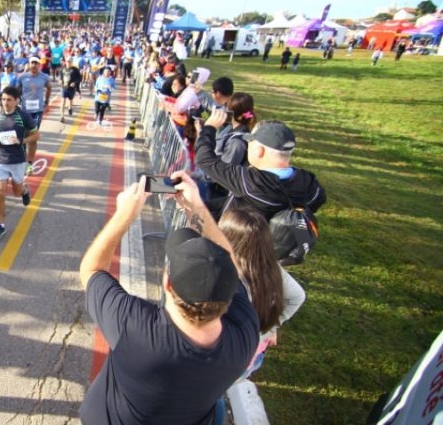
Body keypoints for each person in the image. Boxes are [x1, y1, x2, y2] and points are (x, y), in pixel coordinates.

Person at [78, 172, 259, 424]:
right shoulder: (245, 334)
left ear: (167, 283)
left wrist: (124, 214)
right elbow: (231, 266)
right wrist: (197, 208)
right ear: (229, 293)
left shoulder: (134, 329)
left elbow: (92, 271)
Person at [216, 207, 305, 380]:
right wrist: (271, 327)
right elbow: (298, 296)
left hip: (229, 359)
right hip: (252, 355)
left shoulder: (233, 276)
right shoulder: (272, 268)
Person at [196, 111, 326, 222]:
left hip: (234, 244)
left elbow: (205, 159)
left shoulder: (250, 181)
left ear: (260, 151)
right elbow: (317, 201)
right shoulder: (311, 186)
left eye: (250, 143)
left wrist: (209, 128)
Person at [0, 86, 35, 241]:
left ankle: (24, 190)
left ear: (16, 100)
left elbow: (36, 135)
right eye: (3, 99)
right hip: (1, 159)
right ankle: (0, 225)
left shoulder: (23, 116)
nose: (5, 103)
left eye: (9, 100)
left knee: (16, 191)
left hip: (17, 161)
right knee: (1, 192)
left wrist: (22, 141)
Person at [15, 57, 51, 175]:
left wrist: (46, 102)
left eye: (36, 63)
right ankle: (22, 160)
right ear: (29, 64)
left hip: (37, 111)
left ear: (39, 65)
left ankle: (29, 163)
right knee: (23, 135)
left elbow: (49, 87)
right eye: (32, 63)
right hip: (24, 111)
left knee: (33, 137)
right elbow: (16, 91)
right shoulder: (22, 77)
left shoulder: (44, 77)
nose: (34, 65)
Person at [215, 92, 255, 167]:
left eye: (226, 106)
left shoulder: (236, 142)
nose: (223, 109)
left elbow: (224, 172)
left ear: (231, 113)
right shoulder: (230, 129)